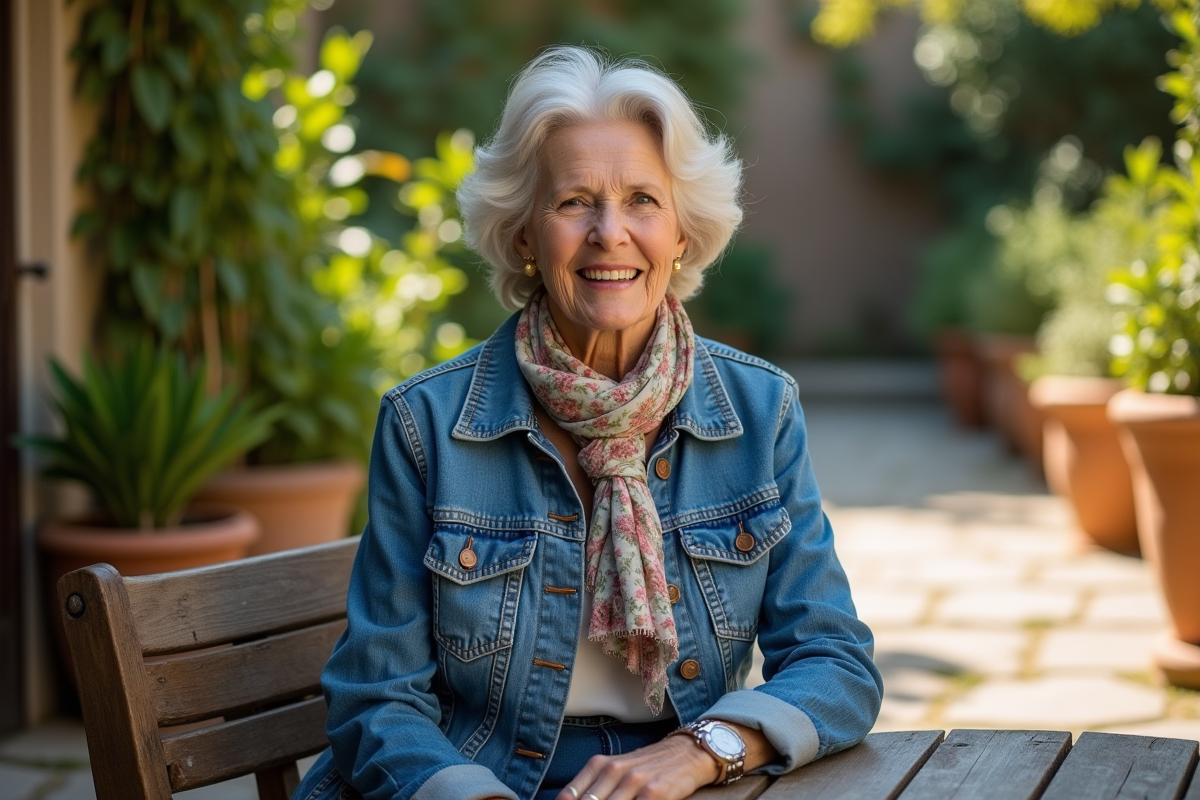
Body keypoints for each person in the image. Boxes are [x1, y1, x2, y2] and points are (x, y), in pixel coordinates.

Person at [293, 46, 882, 800]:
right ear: (522, 235)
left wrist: (704, 749)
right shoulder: (426, 424)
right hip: (476, 779)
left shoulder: (759, 410)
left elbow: (835, 660)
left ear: (682, 233)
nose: (610, 231)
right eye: (575, 202)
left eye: (642, 199)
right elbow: (376, 697)